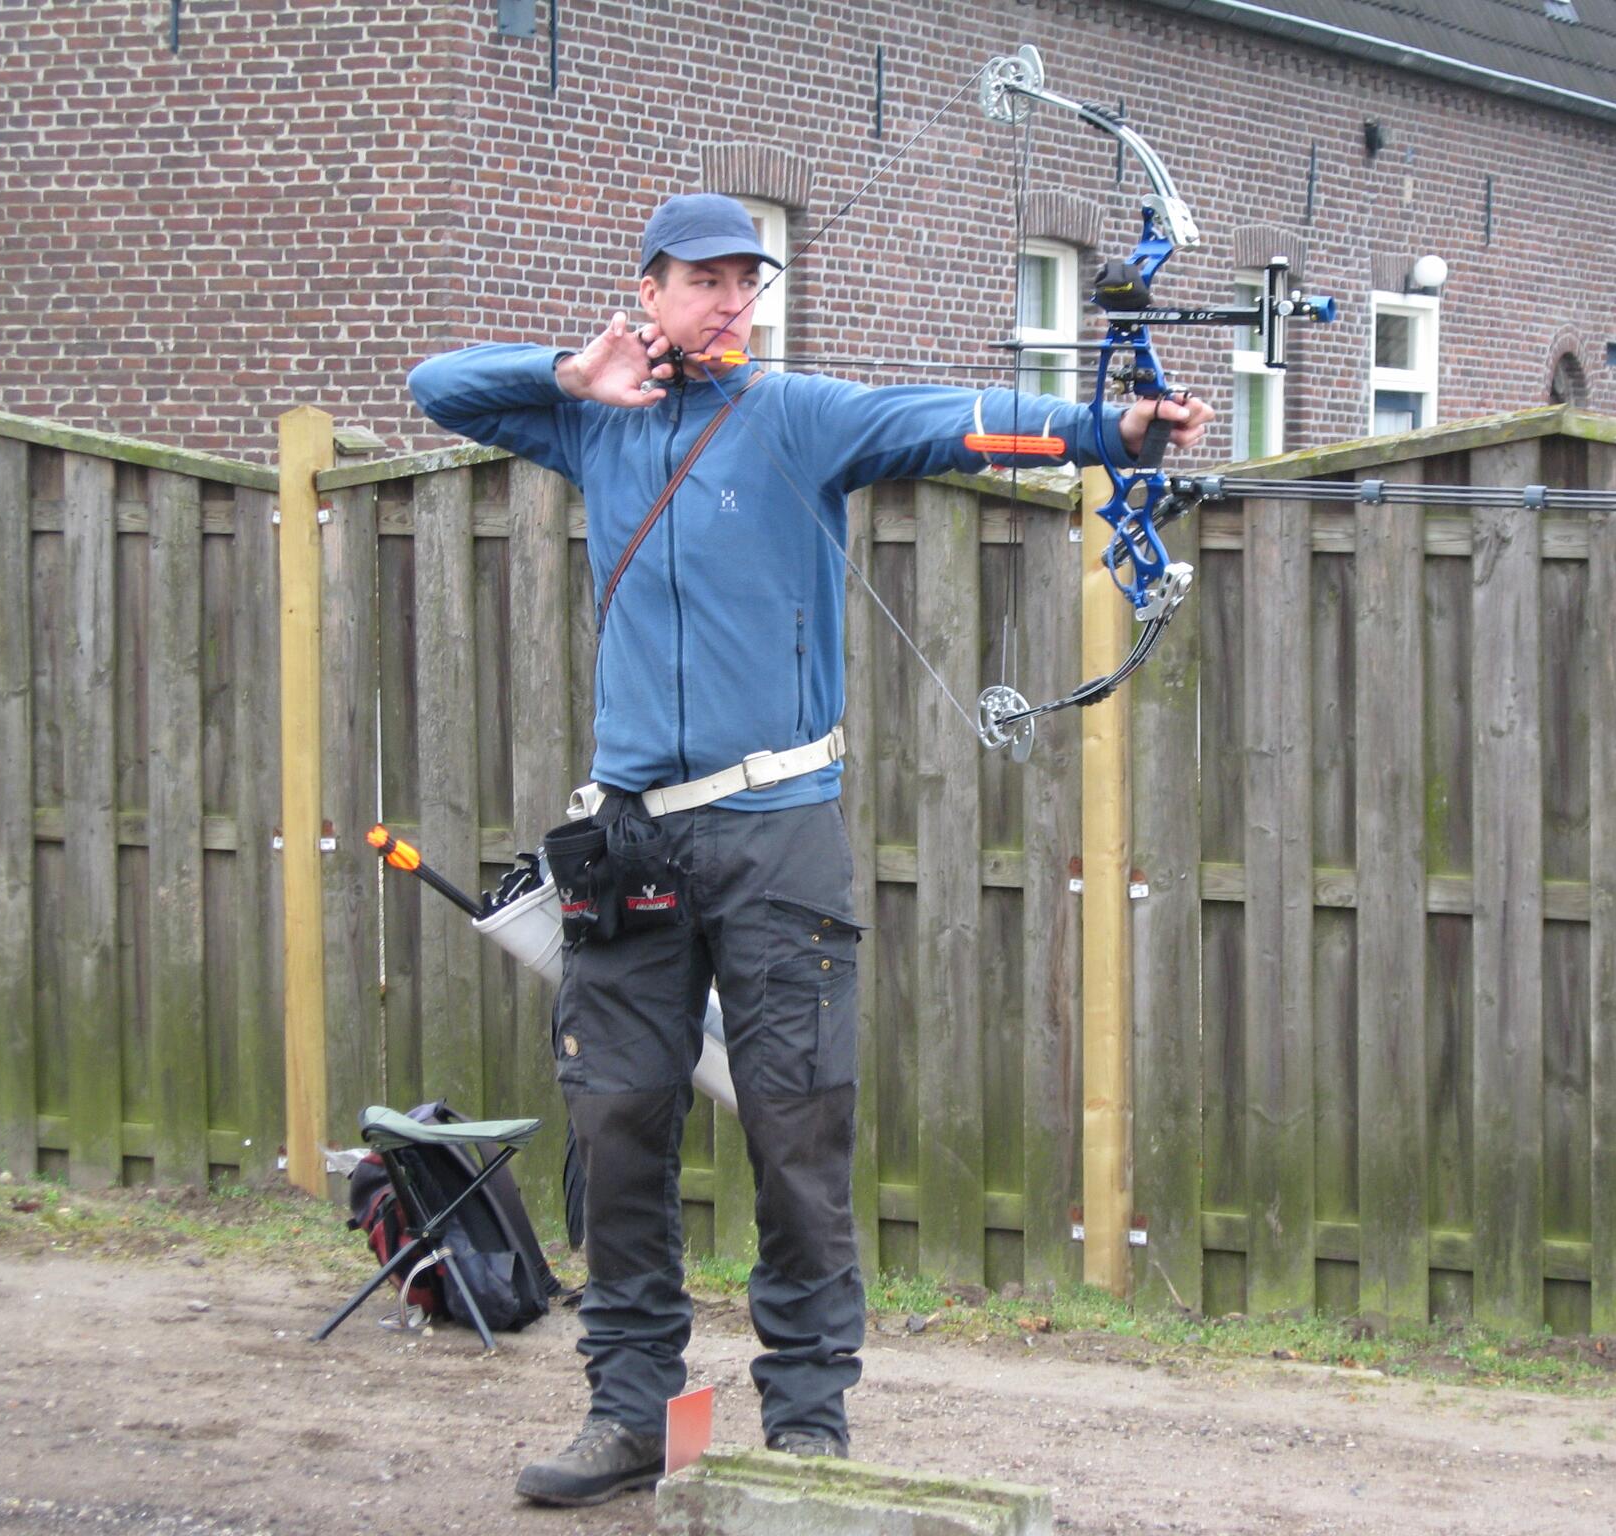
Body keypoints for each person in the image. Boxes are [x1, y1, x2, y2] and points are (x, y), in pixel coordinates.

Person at [408, 192, 1213, 1508]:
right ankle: (632, 1413)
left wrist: (1110, 431)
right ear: (649, 293)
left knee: (797, 1127)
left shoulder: (795, 415)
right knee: (617, 1125)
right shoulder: (592, 418)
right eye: (705, 281)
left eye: (748, 281)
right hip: (631, 840)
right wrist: (570, 371)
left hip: (778, 834)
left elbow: (949, 420)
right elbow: (436, 385)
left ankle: (807, 1430)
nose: (733, 302)